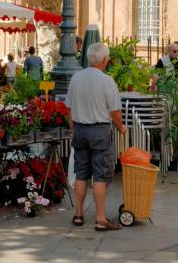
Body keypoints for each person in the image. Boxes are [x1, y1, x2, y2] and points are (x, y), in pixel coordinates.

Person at [65, 42, 126, 231]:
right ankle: (100, 219)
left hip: (81, 130)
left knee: (81, 173)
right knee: (100, 174)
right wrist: (121, 128)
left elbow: (69, 107)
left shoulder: (76, 78)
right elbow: (114, 111)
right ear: (105, 60)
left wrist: (73, 127)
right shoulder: (107, 81)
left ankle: (78, 214)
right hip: (99, 131)